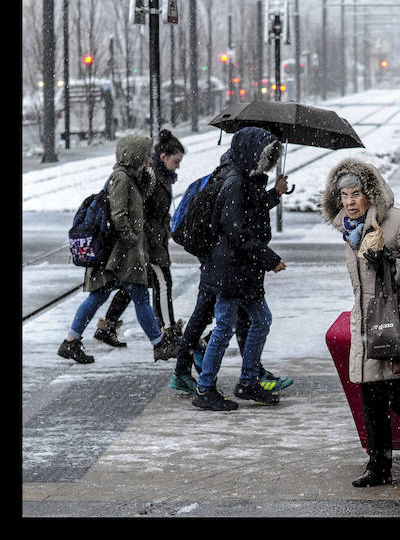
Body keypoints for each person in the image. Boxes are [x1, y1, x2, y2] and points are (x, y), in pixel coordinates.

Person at [322, 158, 400, 487]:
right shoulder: (349, 229)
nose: (349, 202)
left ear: (370, 194)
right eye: (343, 194)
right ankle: (379, 467)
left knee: (398, 392)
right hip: (367, 321)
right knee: (371, 395)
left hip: (395, 320)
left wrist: (391, 265)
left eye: (356, 193)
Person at [169, 145, 293, 394]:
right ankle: (194, 375)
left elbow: (247, 214)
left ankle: (247, 375)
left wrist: (274, 194)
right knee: (216, 320)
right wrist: (266, 258)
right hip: (223, 264)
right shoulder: (231, 182)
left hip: (224, 262)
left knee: (235, 319)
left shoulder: (234, 180)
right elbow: (236, 226)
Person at [57, 134, 180, 364]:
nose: (149, 159)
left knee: (99, 296)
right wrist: (132, 239)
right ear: (135, 155)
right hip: (122, 253)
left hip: (120, 253)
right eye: (145, 155)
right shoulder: (121, 178)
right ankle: (159, 345)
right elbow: (118, 215)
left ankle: (71, 341)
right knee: (139, 296)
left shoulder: (131, 176)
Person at [93, 129, 185, 357]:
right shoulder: (151, 176)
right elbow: (138, 207)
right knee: (163, 283)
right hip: (148, 241)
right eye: (176, 161)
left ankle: (109, 326)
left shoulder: (160, 175)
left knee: (134, 285)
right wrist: (139, 237)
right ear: (162, 157)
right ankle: (168, 333)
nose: (178, 166)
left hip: (152, 237)